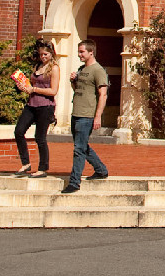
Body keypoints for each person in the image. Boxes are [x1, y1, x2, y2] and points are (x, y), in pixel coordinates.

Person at [62, 39, 109, 193]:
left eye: (82, 52)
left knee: (78, 149)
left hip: (86, 115)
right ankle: (101, 170)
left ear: (91, 52)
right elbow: (79, 90)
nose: (79, 55)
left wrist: (98, 117)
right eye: (79, 51)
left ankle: (74, 182)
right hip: (76, 113)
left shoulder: (98, 70)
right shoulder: (82, 69)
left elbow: (103, 95)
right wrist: (73, 81)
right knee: (81, 146)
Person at [13, 39, 60, 178]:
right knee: (19, 131)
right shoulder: (37, 66)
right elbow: (31, 84)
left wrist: (34, 89)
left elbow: (53, 91)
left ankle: (42, 168)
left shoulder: (54, 68)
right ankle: (25, 163)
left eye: (46, 54)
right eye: (41, 54)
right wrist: (23, 86)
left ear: (51, 54)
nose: (43, 57)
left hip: (45, 106)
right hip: (31, 104)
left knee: (40, 137)